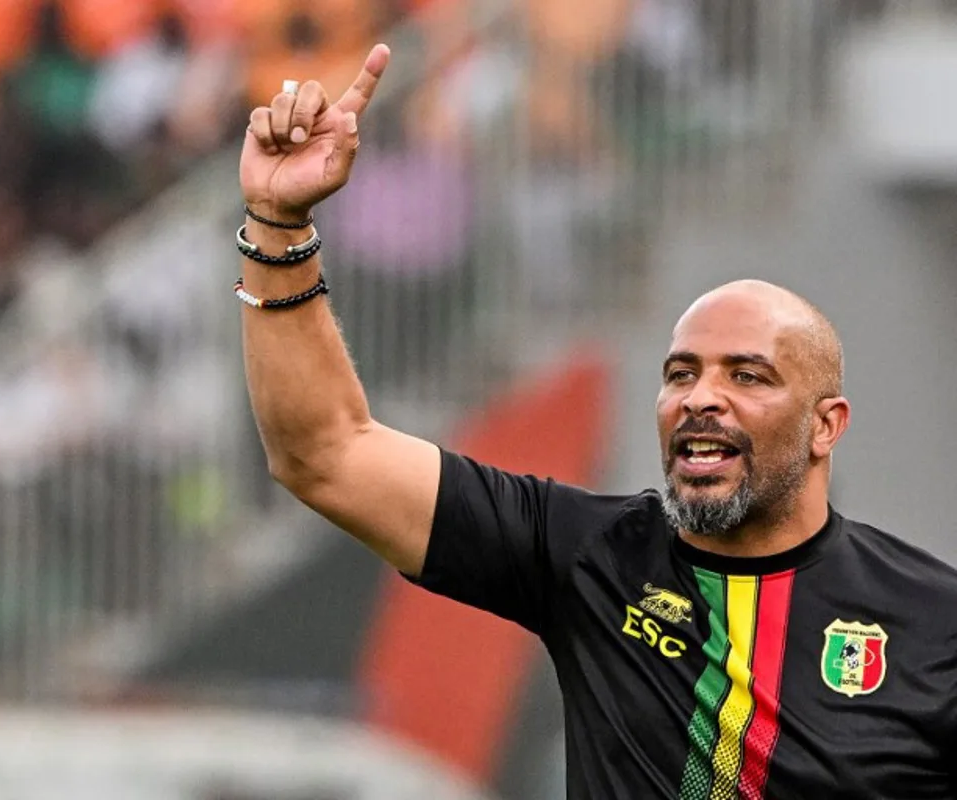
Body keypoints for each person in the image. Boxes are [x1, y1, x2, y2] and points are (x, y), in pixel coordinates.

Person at [237, 44, 957, 798]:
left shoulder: (929, 622)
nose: (701, 397)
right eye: (681, 372)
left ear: (825, 426)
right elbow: (325, 455)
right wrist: (278, 223)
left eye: (747, 375)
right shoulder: (592, 557)